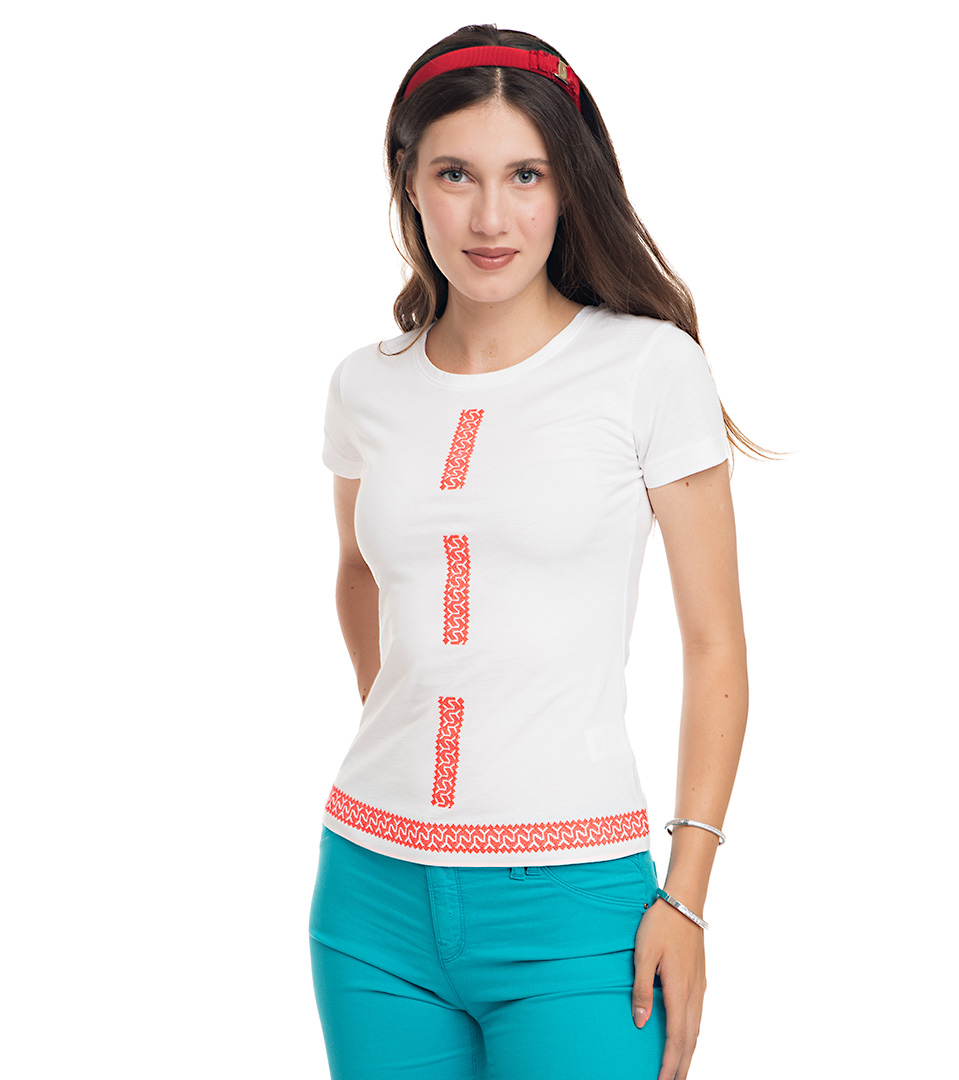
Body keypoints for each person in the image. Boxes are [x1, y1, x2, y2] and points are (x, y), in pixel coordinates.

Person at [309, 22, 767, 1080]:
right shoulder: (364, 383)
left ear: (570, 185)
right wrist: (414, 709)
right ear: (407, 180)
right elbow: (359, 570)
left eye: (526, 174)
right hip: (370, 893)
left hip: (577, 899)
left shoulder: (649, 368)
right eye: (455, 174)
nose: (490, 217)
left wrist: (687, 895)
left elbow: (716, 646)